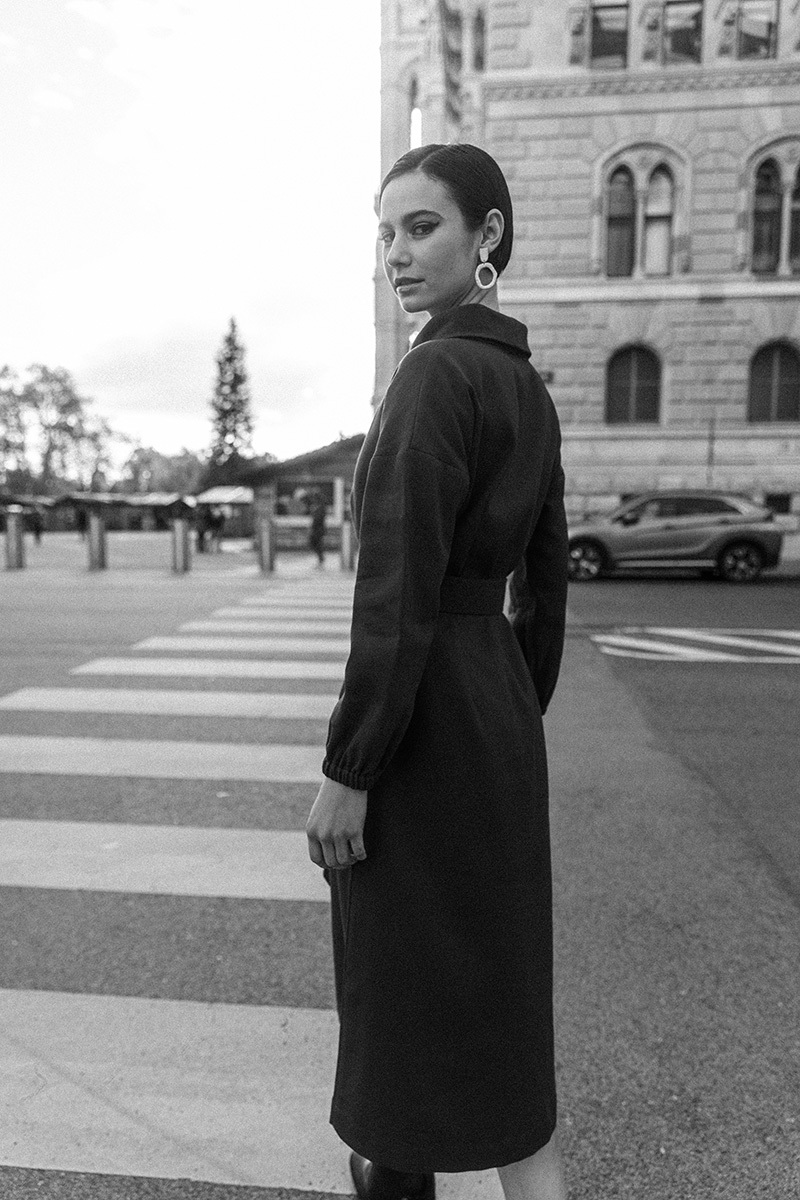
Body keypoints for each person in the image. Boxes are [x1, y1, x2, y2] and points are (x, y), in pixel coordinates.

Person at [306, 144, 570, 1200]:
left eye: (420, 228)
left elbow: (396, 593)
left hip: (420, 730)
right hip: (496, 717)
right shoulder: (523, 388)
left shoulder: (431, 374)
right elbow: (543, 591)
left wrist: (350, 765)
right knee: (500, 1011)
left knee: (397, 1025)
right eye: (385, 233)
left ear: (486, 235)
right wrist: (508, 709)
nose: (395, 255)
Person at [308, 492, 327, 568]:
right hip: (316, 529)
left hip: (318, 529)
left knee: (317, 544)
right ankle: (320, 559)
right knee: (314, 544)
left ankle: (321, 560)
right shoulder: (316, 507)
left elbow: (318, 519)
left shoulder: (321, 507)